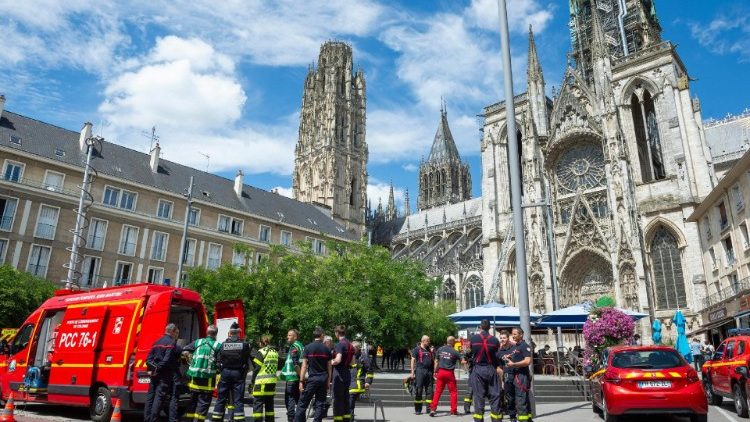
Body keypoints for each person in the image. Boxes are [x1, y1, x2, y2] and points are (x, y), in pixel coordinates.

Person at [211, 322, 251, 422]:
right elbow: (247, 360)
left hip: (225, 373)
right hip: (238, 374)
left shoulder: (223, 344)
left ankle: (216, 418)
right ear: (238, 333)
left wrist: (222, 370)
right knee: (238, 399)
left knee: (221, 398)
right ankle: (239, 419)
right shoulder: (244, 345)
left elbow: (218, 360)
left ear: (230, 333)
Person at [182, 324, 222, 422]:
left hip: (194, 378)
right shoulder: (218, 345)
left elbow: (184, 350)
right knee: (203, 404)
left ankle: (188, 420)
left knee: (192, 402)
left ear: (207, 333)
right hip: (208, 380)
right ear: (216, 334)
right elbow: (220, 362)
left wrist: (190, 361)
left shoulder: (198, 342)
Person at [144, 323, 181, 422]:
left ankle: (147, 419)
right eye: (175, 333)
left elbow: (148, 359)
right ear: (172, 332)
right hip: (164, 375)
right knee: (159, 398)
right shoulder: (171, 343)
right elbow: (167, 359)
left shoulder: (156, 342)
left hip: (154, 374)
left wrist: (153, 369)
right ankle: (153, 419)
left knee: (150, 397)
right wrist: (158, 368)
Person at [295, 327, 332, 422]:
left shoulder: (307, 348)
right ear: (322, 335)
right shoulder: (327, 349)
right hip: (323, 379)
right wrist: (328, 381)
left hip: (312, 379)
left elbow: (303, 366)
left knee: (302, 404)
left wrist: (301, 381)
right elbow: (329, 368)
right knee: (320, 404)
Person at [469, 320, 501, 422]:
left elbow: (471, 353)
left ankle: (479, 420)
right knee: (495, 396)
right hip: (491, 368)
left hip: (478, 369)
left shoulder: (473, 339)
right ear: (489, 327)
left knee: (479, 397)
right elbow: (497, 355)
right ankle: (496, 419)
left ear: (480, 327)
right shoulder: (495, 340)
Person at [505, 327, 533, 422]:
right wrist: (508, 357)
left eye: (515, 334)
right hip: (514, 375)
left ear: (521, 335)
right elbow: (515, 356)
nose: (513, 336)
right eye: (512, 334)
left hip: (521, 375)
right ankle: (528, 419)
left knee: (521, 400)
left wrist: (514, 364)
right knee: (519, 399)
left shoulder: (524, 346)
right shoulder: (515, 346)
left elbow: (528, 361)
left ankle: (523, 420)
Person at [429, 336, 461, 417]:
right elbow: (463, 361)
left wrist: (435, 371)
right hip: (449, 373)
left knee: (438, 391)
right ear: (453, 342)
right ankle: (453, 411)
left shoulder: (440, 349)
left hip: (440, 372)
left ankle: (433, 409)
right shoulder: (455, 351)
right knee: (453, 392)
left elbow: (436, 361)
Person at [251, 335, 279, 422]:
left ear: (261, 343)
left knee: (258, 406)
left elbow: (256, 369)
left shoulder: (261, 352)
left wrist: (252, 382)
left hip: (261, 382)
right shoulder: (275, 352)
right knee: (270, 406)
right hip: (272, 383)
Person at [330, 325, 354, 421]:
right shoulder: (350, 345)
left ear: (337, 333)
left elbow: (338, 359)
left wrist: (330, 362)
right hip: (347, 373)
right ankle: (346, 419)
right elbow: (353, 362)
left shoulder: (340, 344)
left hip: (339, 373)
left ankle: (338, 419)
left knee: (338, 399)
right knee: (345, 398)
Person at [281, 329, 305, 422]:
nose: (287, 337)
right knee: (299, 402)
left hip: (292, 378)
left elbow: (295, 364)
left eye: (290, 335)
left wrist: (301, 378)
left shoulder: (294, 347)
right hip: (297, 378)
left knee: (289, 402)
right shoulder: (301, 346)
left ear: (295, 337)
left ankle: (291, 419)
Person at [349, 341, 374, 418]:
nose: (351, 350)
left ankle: (350, 418)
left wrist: (368, 382)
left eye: (353, 348)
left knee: (350, 398)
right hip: (349, 382)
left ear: (358, 348)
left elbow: (370, 370)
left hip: (358, 383)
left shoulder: (364, 357)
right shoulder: (350, 356)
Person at [410, 335, 434, 415]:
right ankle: (418, 409)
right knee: (419, 390)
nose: (429, 342)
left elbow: (433, 360)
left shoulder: (429, 350)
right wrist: (412, 372)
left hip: (429, 372)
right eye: (428, 341)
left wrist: (432, 352)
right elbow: (413, 360)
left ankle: (429, 408)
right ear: (423, 341)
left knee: (430, 391)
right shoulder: (416, 349)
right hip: (420, 371)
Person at [496, 330, 515, 421]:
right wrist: (502, 380)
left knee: (518, 396)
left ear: (508, 338)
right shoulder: (499, 351)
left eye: (504, 338)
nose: (502, 340)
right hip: (507, 375)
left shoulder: (514, 348)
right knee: (509, 396)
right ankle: (512, 416)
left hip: (517, 375)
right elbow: (499, 368)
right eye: (501, 338)